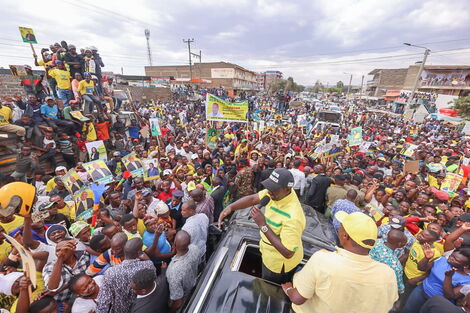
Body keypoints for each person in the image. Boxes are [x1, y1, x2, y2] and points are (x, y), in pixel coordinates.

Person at [281, 211, 398, 313]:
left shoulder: (322, 259)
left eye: (341, 226)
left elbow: (298, 298)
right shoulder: (388, 274)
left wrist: (289, 289)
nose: (338, 228)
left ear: (345, 236)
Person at [219, 168, 306, 284]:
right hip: (267, 253)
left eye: (273, 188)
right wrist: (230, 208)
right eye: (269, 186)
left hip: (277, 265)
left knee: (268, 288)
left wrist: (263, 225)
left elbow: (288, 252)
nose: (269, 191)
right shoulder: (275, 193)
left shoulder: (293, 217)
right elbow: (253, 198)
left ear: (286, 189)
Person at [96, 238, 154, 313]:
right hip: (142, 307)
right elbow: (153, 282)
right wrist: (148, 260)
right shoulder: (148, 265)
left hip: (120, 309)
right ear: (139, 252)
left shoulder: (110, 273)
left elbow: (104, 301)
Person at [402, 248, 470, 312]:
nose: (451, 258)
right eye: (451, 256)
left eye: (456, 260)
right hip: (422, 291)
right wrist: (426, 258)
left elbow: (450, 296)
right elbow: (421, 268)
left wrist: (448, 277)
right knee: (408, 310)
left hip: (438, 303)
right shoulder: (441, 260)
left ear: (466, 265)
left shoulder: (466, 281)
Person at [166, 230, 200, 312]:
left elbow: (178, 301)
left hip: (185, 300)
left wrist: (171, 311)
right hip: (194, 285)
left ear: (174, 244)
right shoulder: (195, 248)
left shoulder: (174, 270)